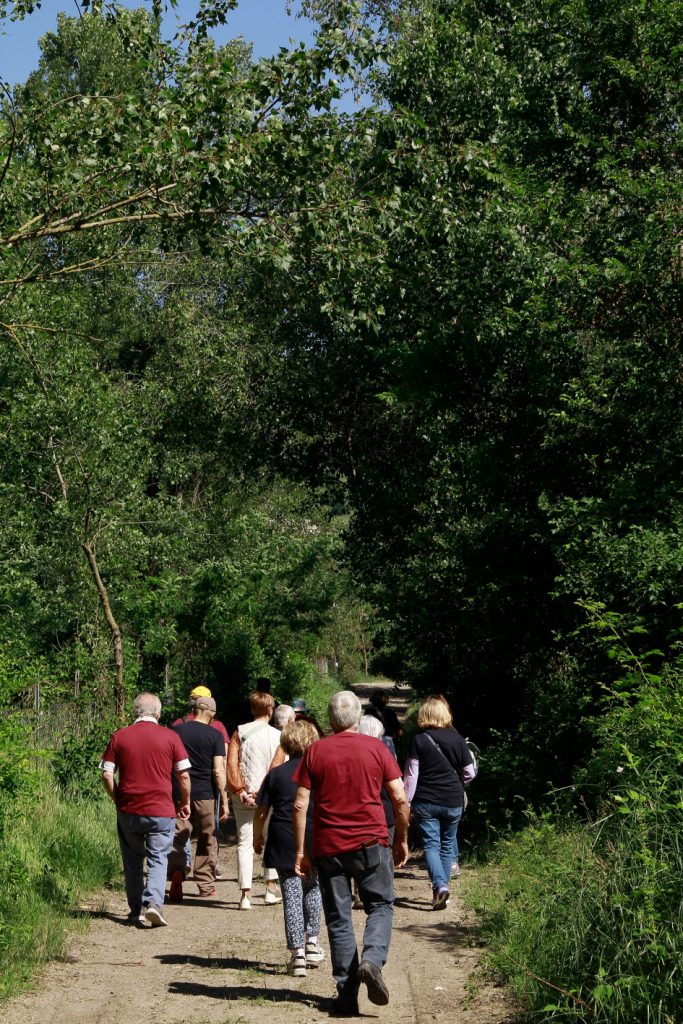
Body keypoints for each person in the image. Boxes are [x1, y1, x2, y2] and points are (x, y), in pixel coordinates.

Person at [293, 690, 409, 1016]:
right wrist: (401, 837)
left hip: (329, 848)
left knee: (339, 919)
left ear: (330, 720)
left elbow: (300, 803)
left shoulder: (315, 751)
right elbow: (399, 798)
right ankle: (372, 961)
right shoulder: (377, 748)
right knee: (381, 905)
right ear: (358, 718)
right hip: (372, 843)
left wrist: (301, 850)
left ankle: (346, 998)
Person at [100, 692, 191, 928]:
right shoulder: (170, 737)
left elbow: (107, 773)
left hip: (129, 808)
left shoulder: (119, 737)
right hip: (161, 809)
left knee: (132, 860)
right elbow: (183, 775)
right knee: (158, 858)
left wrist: (116, 797)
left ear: (135, 712)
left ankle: (134, 910)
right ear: (158, 712)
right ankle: (153, 904)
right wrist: (185, 802)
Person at [253, 720, 324, 977]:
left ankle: (298, 955)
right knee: (313, 887)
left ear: (286, 743)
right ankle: (313, 941)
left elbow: (261, 811)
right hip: (314, 836)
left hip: (283, 836)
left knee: (291, 894)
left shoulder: (276, 774)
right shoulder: (319, 772)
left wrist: (257, 836)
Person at [402, 695, 475, 910]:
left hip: (427, 801)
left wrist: (406, 801)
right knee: (446, 845)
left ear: (424, 715)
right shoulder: (458, 739)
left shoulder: (419, 740)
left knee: (431, 845)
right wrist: (458, 784)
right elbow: (470, 772)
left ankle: (440, 886)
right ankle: (441, 891)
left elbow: (411, 776)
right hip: (453, 800)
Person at [168, 696, 230, 900]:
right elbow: (218, 770)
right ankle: (205, 884)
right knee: (207, 838)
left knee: (179, 835)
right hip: (205, 794)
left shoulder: (176, 731)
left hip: (180, 793)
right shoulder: (215, 735)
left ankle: (177, 873)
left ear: (194, 710)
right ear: (211, 713)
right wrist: (224, 799)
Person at [227, 690, 282, 909]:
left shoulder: (239, 732)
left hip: (243, 797)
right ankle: (270, 888)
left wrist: (241, 789)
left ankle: (245, 895)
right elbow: (276, 766)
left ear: (251, 709)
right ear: (271, 710)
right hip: (267, 796)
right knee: (269, 840)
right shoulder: (278, 736)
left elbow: (232, 764)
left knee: (244, 842)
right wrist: (262, 792)